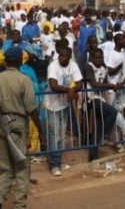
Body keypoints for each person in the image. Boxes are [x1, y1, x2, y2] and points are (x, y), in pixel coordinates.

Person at [0, 47, 44, 209]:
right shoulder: (24, 79)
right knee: (21, 170)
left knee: (6, 170)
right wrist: (40, 131)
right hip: (18, 124)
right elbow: (31, 109)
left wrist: (1, 119)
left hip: (1, 126)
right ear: (19, 60)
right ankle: (19, 206)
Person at [44, 47, 82, 176]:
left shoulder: (73, 65)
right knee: (53, 135)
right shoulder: (53, 66)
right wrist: (70, 90)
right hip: (52, 105)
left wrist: (72, 90)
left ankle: (58, 161)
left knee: (61, 135)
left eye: (65, 56)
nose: (62, 58)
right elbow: (53, 86)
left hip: (63, 104)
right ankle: (54, 164)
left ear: (69, 57)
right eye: (60, 55)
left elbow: (80, 83)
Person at [84, 48, 118, 162]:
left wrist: (109, 87)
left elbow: (103, 85)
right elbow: (94, 84)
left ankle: (93, 155)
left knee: (97, 126)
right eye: (96, 58)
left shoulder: (104, 69)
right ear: (92, 58)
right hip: (90, 99)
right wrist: (111, 85)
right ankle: (104, 136)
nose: (98, 60)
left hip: (100, 99)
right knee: (113, 112)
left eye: (100, 58)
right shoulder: (88, 66)